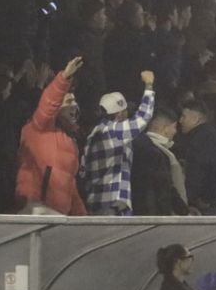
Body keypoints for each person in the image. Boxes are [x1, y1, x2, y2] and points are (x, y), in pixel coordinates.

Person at [79, 71, 157, 215]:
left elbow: (83, 173)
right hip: (112, 205)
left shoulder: (93, 134)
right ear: (120, 113)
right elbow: (143, 117)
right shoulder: (114, 131)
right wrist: (149, 85)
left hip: (95, 203)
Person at [17, 58, 88, 215]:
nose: (74, 106)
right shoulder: (39, 127)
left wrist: (82, 220)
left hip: (57, 216)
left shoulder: (69, 142)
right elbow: (49, 103)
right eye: (69, 102)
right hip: (36, 210)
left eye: (75, 102)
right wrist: (64, 78)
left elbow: (70, 186)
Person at [131, 112, 189, 216]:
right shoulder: (159, 153)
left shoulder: (139, 147)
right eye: (174, 127)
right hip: (161, 214)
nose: (175, 131)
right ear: (165, 128)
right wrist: (183, 211)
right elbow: (165, 188)